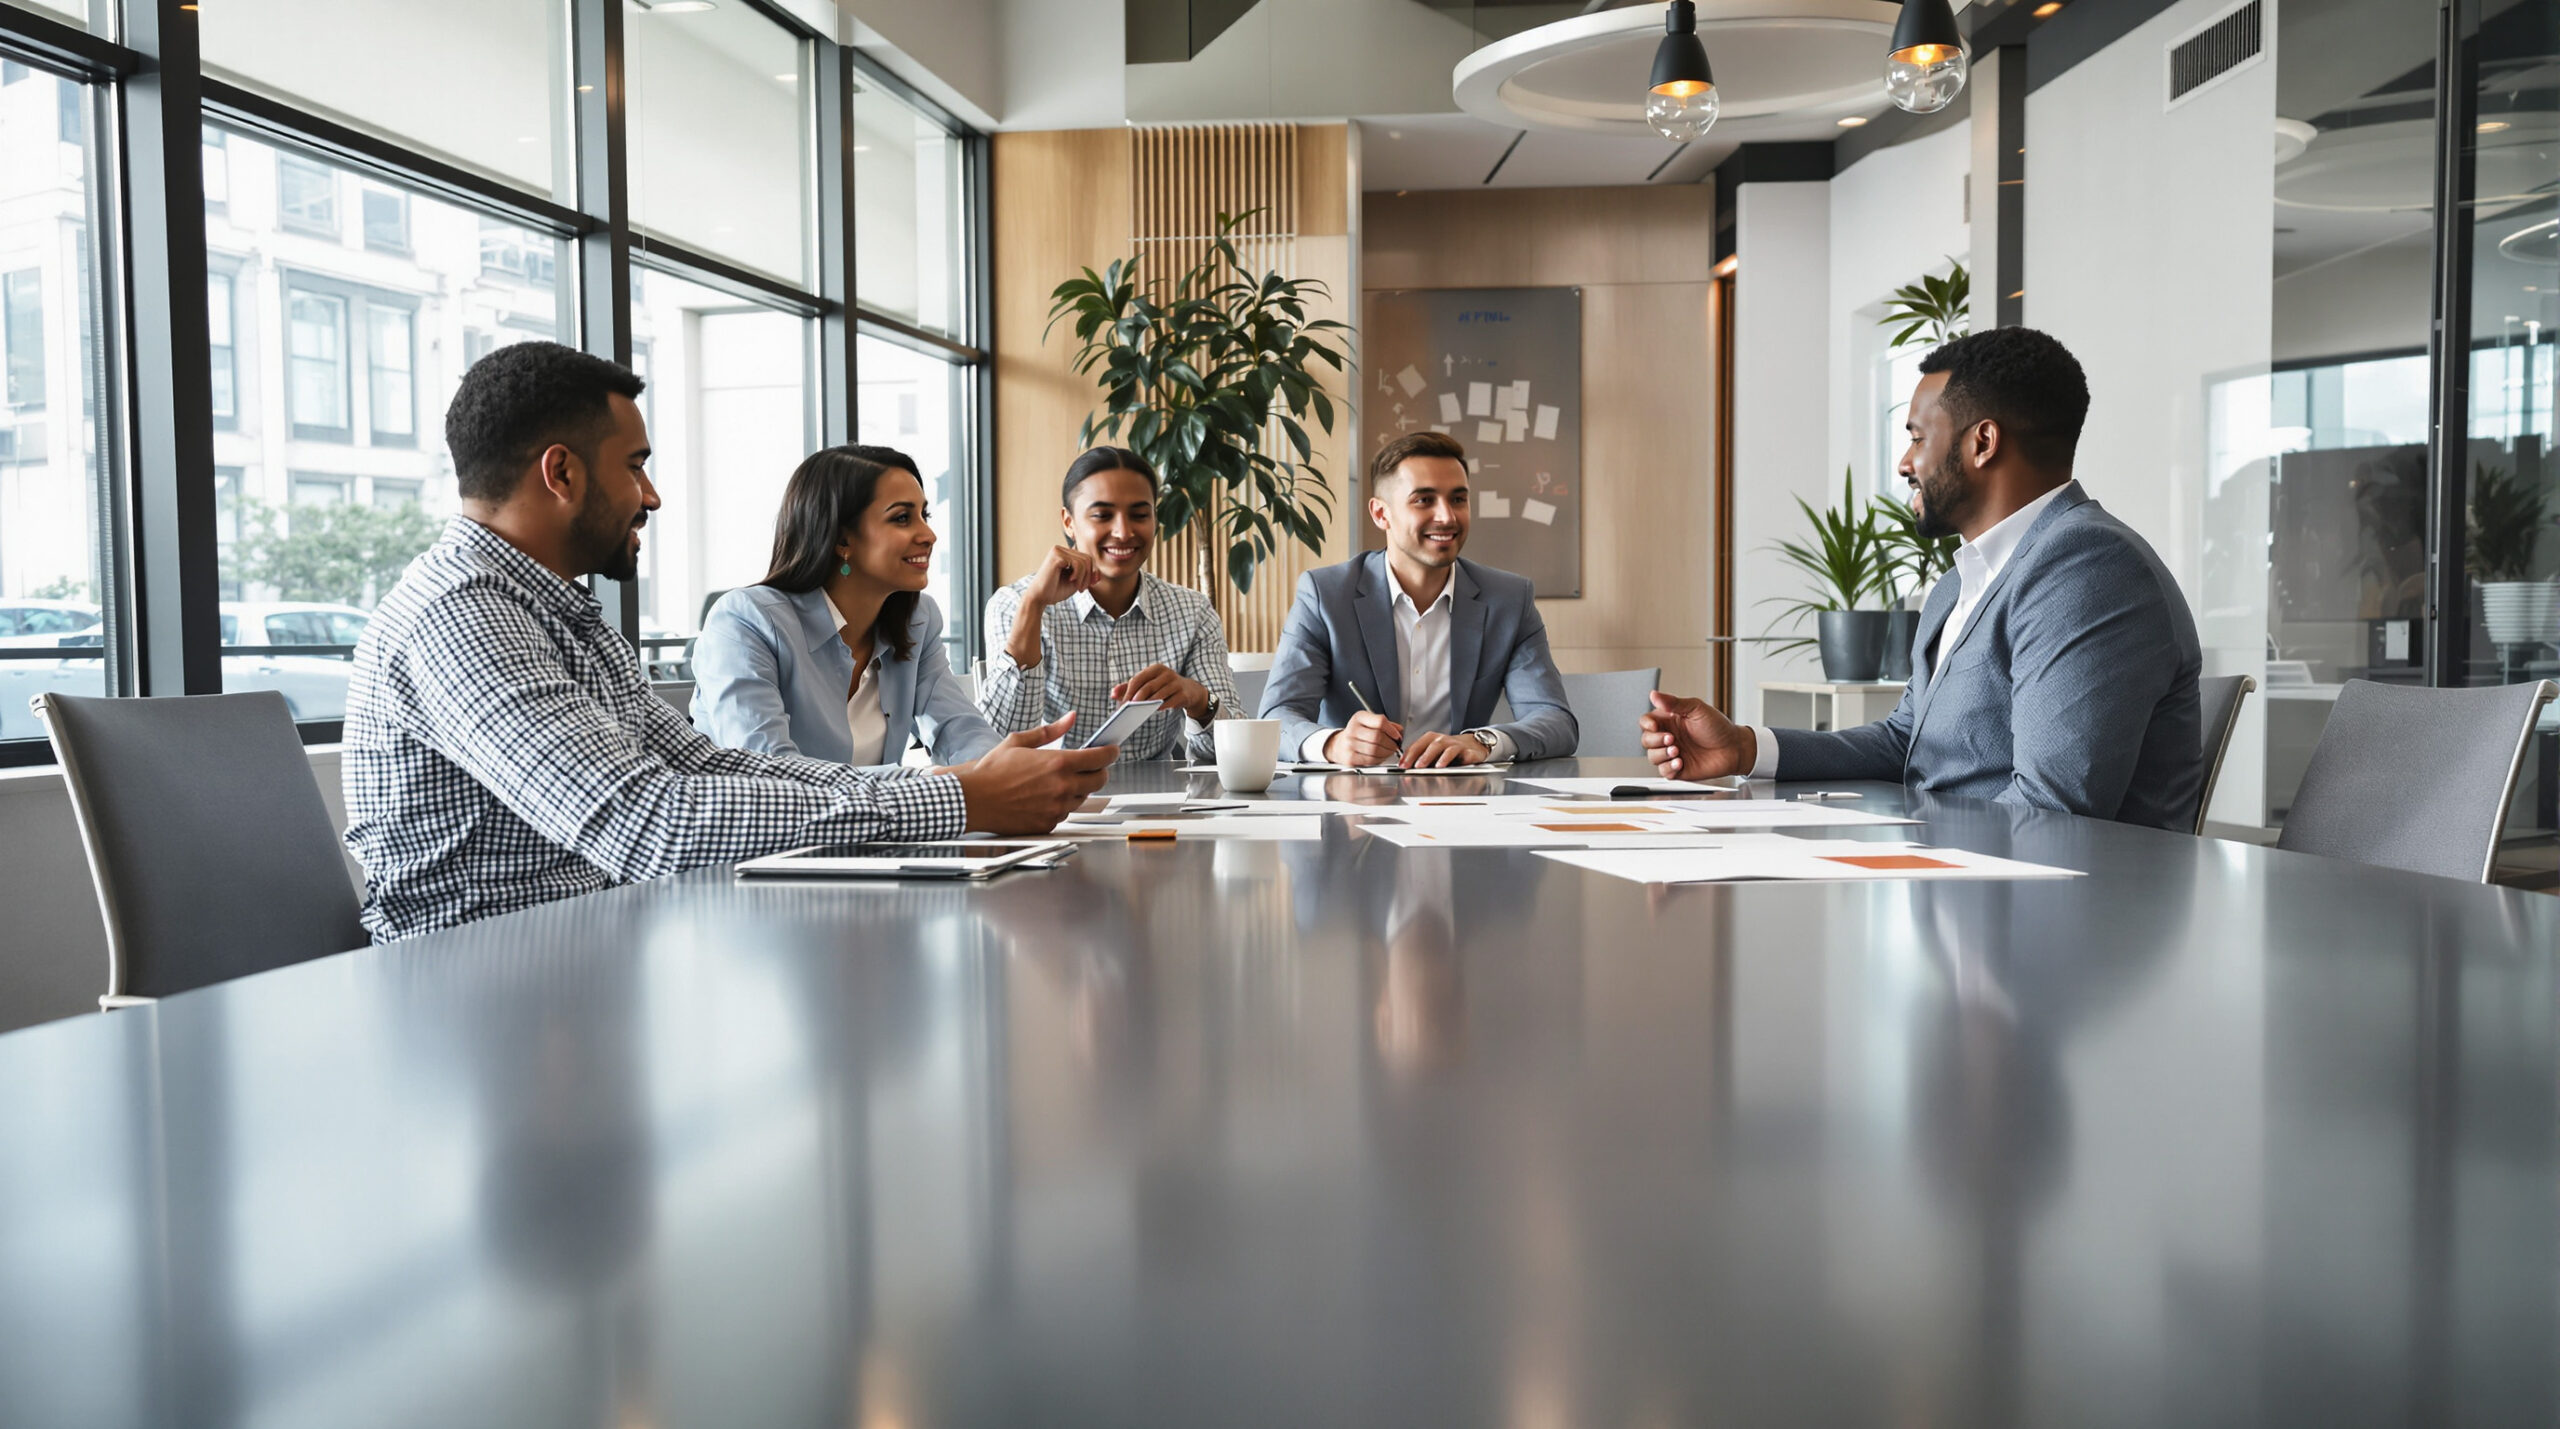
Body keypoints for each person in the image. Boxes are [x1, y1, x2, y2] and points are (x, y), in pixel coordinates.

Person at [342, 342, 1113, 941]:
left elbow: (710, 766)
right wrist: (956, 796)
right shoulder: (462, 614)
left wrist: (961, 788)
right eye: (635, 467)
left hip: (591, 955)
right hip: (482, 984)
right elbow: (649, 823)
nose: (651, 496)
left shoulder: (561, 613)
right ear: (562, 473)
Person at [1641, 326, 2204, 830]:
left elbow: (2050, 810)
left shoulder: (2086, 567)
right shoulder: (1963, 582)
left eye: (1916, 437)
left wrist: (1897, 856)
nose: (1904, 463)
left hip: (2051, 904)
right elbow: (1906, 741)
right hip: (1963, 884)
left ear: (1982, 443)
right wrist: (1744, 748)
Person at [1261, 431, 1576, 768]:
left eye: (1458, 499)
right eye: (1424, 500)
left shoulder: (1509, 600)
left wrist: (1482, 741)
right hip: (1354, 791)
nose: (1447, 517)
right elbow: (1277, 717)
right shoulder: (1325, 595)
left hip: (1463, 792)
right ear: (1381, 514)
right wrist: (1333, 744)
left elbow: (1555, 721)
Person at [690, 445, 998, 769]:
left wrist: (1002, 767)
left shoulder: (918, 620)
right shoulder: (744, 622)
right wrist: (928, 782)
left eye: (925, 515)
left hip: (885, 805)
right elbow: (770, 773)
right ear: (842, 540)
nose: (929, 535)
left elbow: (961, 730)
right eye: (902, 518)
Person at [979, 446, 1241, 762]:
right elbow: (995, 747)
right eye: (1102, 515)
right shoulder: (1014, 604)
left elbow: (1237, 750)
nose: (1123, 532)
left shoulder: (1192, 612)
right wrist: (1033, 606)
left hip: (1157, 793)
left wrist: (1198, 699)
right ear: (1069, 522)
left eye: (1140, 515)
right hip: (1050, 790)